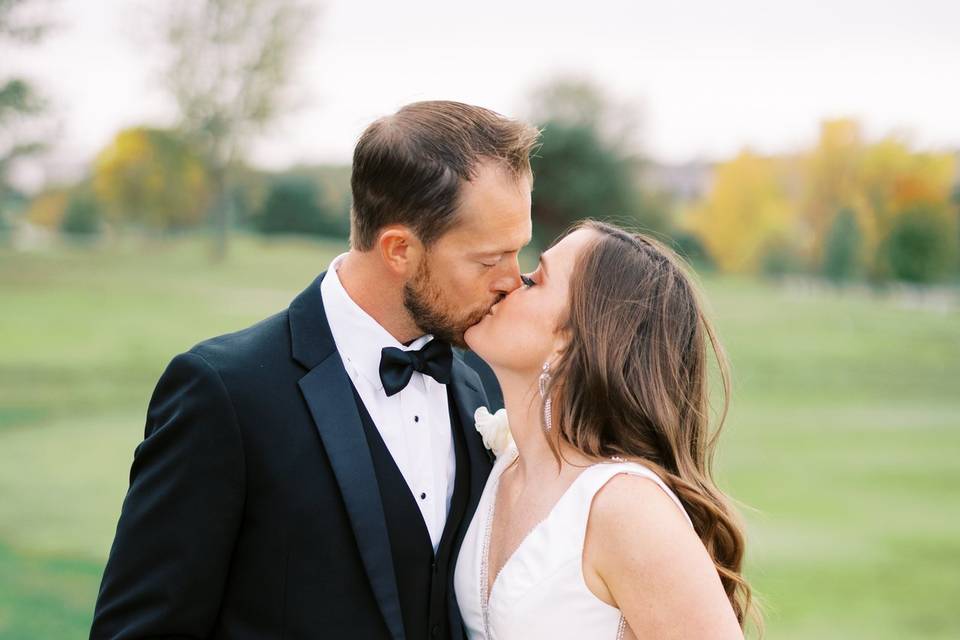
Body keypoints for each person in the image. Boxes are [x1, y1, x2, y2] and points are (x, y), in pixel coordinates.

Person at [91, 101, 540, 640]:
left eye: (519, 251)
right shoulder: (225, 393)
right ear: (398, 249)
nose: (513, 281)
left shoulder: (484, 384)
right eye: (490, 260)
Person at [454, 220, 758, 639]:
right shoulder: (505, 467)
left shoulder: (626, 507)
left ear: (572, 338)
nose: (508, 282)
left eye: (535, 280)